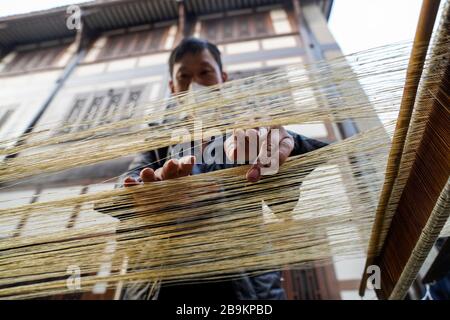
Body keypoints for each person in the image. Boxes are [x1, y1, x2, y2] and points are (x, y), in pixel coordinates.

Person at [118, 37, 328, 300]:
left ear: (223, 78)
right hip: (162, 283)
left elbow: (284, 199)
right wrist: (147, 191)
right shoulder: (158, 139)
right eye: (184, 77)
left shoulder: (248, 129)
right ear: (173, 87)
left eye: (205, 72)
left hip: (244, 287)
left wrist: (289, 147)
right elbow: (127, 185)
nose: (195, 84)